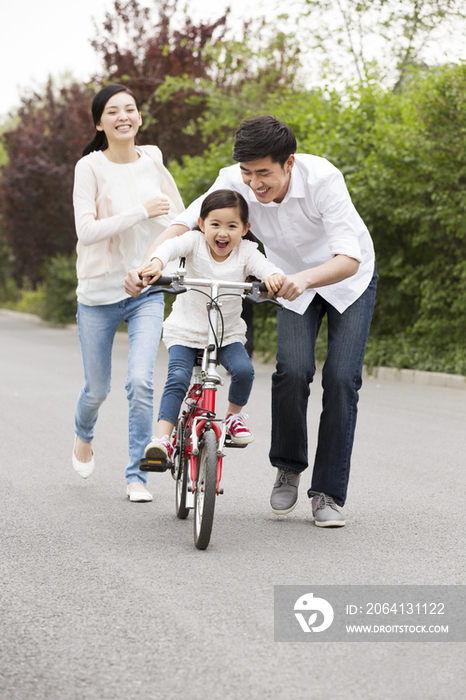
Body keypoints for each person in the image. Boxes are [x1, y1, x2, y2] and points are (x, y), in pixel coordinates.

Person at [127, 115, 376, 525]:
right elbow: (184, 224)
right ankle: (289, 467)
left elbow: (349, 258)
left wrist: (303, 279)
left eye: (264, 174)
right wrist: (146, 265)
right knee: (293, 371)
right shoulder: (234, 179)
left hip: (344, 280)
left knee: (341, 378)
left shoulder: (323, 180)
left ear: (289, 164)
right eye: (247, 173)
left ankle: (328, 493)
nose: (255, 184)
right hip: (285, 282)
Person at [72, 84, 184, 502]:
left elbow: (178, 216)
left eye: (131, 109)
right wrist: (140, 211)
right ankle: (83, 433)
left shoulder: (152, 159)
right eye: (113, 111)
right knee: (97, 389)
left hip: (146, 290)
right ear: (99, 122)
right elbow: (86, 231)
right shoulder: (90, 167)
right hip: (98, 294)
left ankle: (137, 475)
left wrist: (164, 267)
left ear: (139, 118)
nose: (124, 116)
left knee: (140, 380)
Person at [139, 189, 283, 460]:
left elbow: (265, 267)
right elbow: (169, 247)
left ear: (245, 228)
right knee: (178, 378)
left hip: (225, 334)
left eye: (232, 226)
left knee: (244, 370)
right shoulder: (193, 242)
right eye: (215, 224)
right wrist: (157, 262)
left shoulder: (247, 251)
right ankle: (162, 440)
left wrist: (274, 277)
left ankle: (232, 418)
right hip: (186, 330)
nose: (223, 233)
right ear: (202, 224)